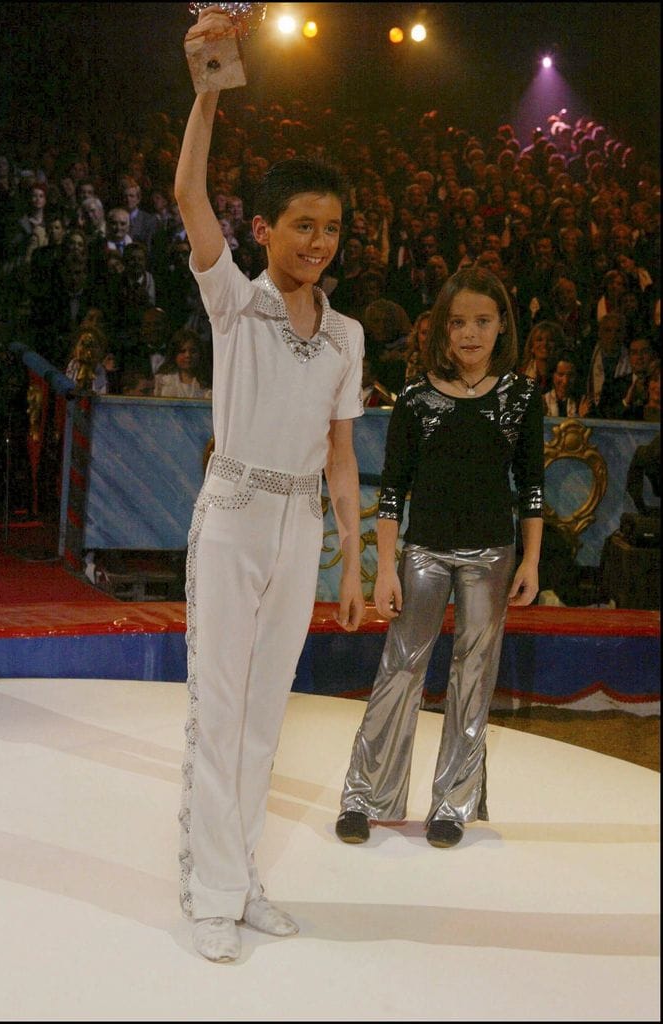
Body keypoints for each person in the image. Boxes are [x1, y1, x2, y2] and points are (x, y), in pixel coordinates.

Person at [175, 7, 365, 964]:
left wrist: (352, 559)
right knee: (219, 709)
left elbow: (341, 455)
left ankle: (240, 875)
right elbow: (187, 194)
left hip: (301, 532)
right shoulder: (235, 299)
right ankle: (210, 890)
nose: (318, 241)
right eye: (302, 225)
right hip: (233, 521)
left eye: (331, 229)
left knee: (264, 715)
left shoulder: (346, 334)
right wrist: (208, 92)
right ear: (264, 230)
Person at [334, 265, 544, 850]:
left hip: (493, 557)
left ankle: (451, 804)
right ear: (442, 330)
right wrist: (383, 568)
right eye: (458, 322)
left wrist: (530, 561)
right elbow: (393, 491)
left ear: (502, 326)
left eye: (482, 320)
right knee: (399, 666)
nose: (470, 333)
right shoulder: (417, 398)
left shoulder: (523, 398)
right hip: (423, 552)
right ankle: (364, 796)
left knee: (473, 677)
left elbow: (530, 487)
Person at [153, 326, 212, 399]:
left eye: (193, 351)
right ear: (174, 354)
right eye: (182, 351)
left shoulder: (209, 383)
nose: (188, 355)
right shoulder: (161, 381)